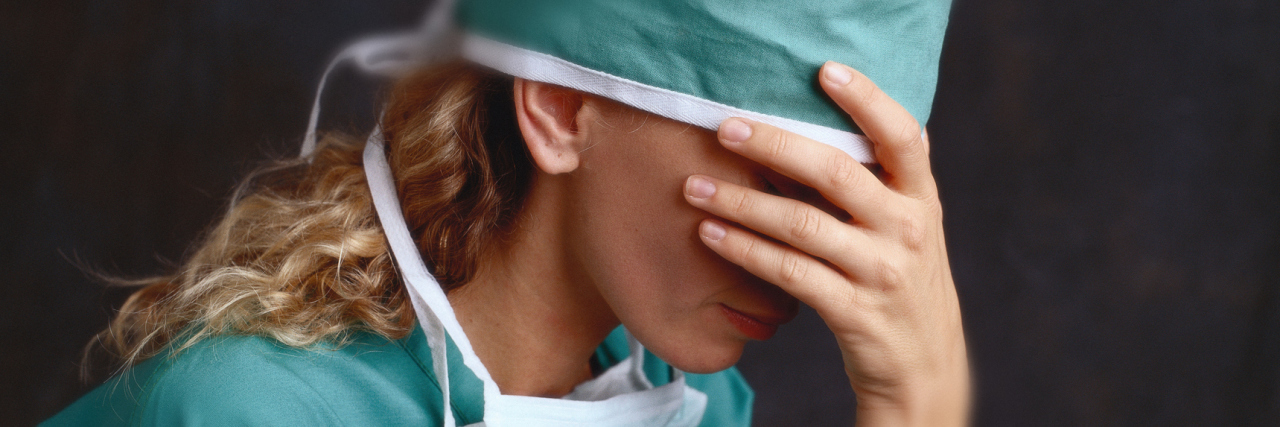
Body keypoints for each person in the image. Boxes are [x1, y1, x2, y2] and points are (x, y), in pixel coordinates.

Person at [45, 0, 968, 425]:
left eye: (847, 199)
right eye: (778, 178)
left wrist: (917, 403)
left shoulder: (697, 403)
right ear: (563, 112)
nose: (805, 266)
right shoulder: (260, 411)